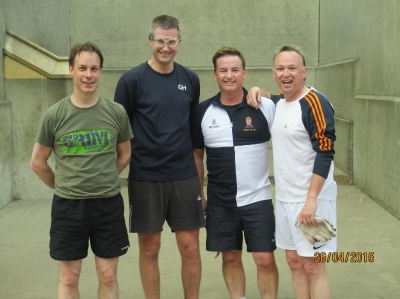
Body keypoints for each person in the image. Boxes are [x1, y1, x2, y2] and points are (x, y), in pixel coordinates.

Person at [30, 42, 133, 299]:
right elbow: (37, 162)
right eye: (83, 68)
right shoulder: (54, 115)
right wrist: (61, 184)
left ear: (100, 72)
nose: (89, 74)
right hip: (68, 208)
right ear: (72, 70)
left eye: (94, 69)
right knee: (69, 277)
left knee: (108, 276)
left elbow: (125, 154)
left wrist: (105, 177)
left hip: (107, 206)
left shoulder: (116, 112)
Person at [113, 15, 205, 299]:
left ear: (179, 42)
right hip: (145, 178)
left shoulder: (190, 78)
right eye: (160, 41)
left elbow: (194, 136)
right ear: (151, 41)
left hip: (184, 177)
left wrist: (200, 184)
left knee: (190, 247)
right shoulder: (131, 81)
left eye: (172, 41)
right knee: (150, 249)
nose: (166, 47)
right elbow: (119, 132)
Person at [247, 45, 337, 299]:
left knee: (313, 266)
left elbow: (325, 151)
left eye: (292, 68)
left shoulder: (315, 102)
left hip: (312, 200)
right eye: (280, 68)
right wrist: (257, 90)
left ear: (304, 72)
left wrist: (311, 201)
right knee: (294, 262)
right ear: (274, 73)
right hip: (286, 199)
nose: (286, 73)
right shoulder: (281, 102)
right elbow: (272, 97)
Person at [191, 47, 279, 299]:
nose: (229, 75)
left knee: (264, 259)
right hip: (221, 202)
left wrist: (261, 91)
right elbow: (197, 155)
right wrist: (200, 195)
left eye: (235, 70)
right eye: (223, 70)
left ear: (244, 73)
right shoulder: (202, 112)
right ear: (215, 75)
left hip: (258, 200)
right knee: (230, 257)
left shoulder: (263, 106)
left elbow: (288, 102)